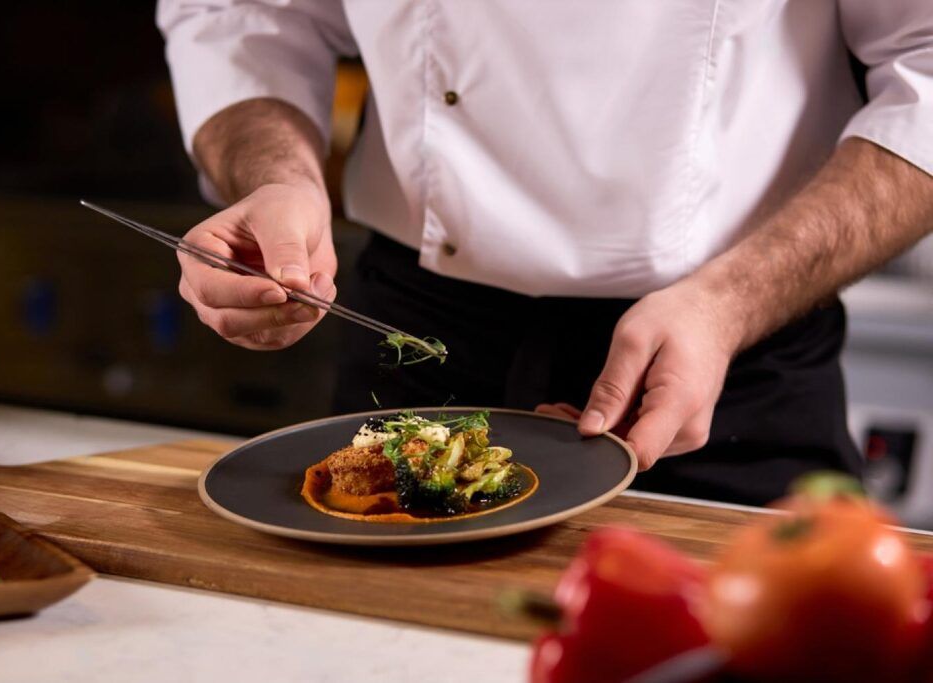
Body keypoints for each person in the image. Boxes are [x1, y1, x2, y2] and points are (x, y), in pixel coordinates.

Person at [156, 1, 933, 505]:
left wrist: (731, 303)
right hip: (417, 333)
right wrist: (280, 183)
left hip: (724, 346)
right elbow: (240, 13)